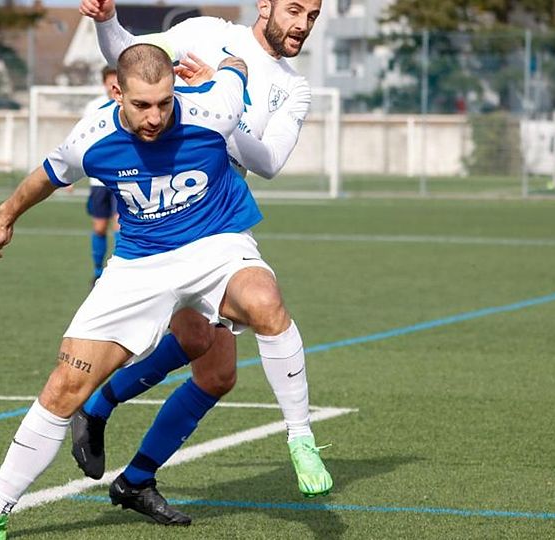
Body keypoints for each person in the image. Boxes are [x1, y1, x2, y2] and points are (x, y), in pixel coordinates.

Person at [0, 43, 314, 538]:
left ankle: (300, 437)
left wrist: (228, 65)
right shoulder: (92, 137)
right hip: (140, 264)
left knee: (263, 303)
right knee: (65, 385)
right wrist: (3, 216)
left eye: (165, 102)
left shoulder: (214, 108)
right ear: (117, 94)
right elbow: (47, 176)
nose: (155, 116)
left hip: (217, 245)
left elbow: (235, 72)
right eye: (142, 105)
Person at [71, 0, 330, 510]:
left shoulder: (294, 87)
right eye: (294, 10)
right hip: (167, 212)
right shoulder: (205, 32)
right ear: (266, 6)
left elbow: (272, 161)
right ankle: (101, 417)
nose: (301, 25)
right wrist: (107, 22)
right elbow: (130, 57)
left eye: (313, 16)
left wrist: (222, 103)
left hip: (217, 220)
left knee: (214, 371)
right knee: (201, 347)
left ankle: (130, 467)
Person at [82, 66, 121, 287]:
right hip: (99, 181)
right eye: (110, 81)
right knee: (99, 226)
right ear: (105, 83)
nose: (114, 84)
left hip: (122, 178)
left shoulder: (130, 104)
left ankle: (117, 273)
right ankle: (97, 270)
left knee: (120, 226)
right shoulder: (93, 107)